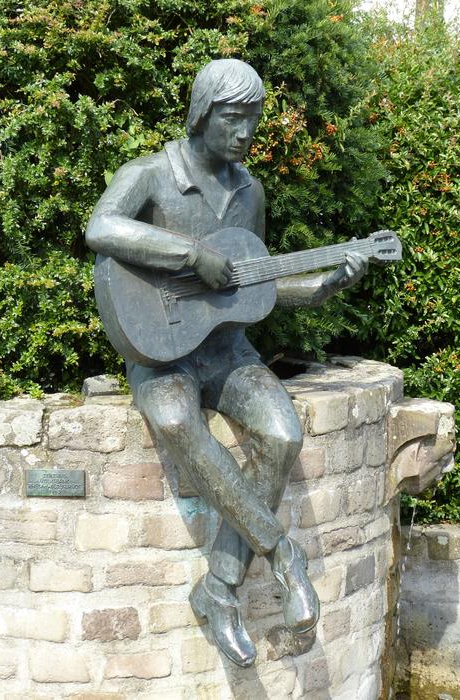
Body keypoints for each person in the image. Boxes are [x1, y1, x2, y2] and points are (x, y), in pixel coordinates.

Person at [86, 59, 368, 667]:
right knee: (176, 422)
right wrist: (187, 251)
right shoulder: (151, 175)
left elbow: (252, 286)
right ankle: (279, 554)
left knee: (280, 431)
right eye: (233, 118)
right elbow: (101, 228)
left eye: (253, 120)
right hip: (160, 355)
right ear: (202, 114)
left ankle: (218, 589)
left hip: (226, 351)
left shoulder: (249, 191)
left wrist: (322, 287)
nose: (244, 133)